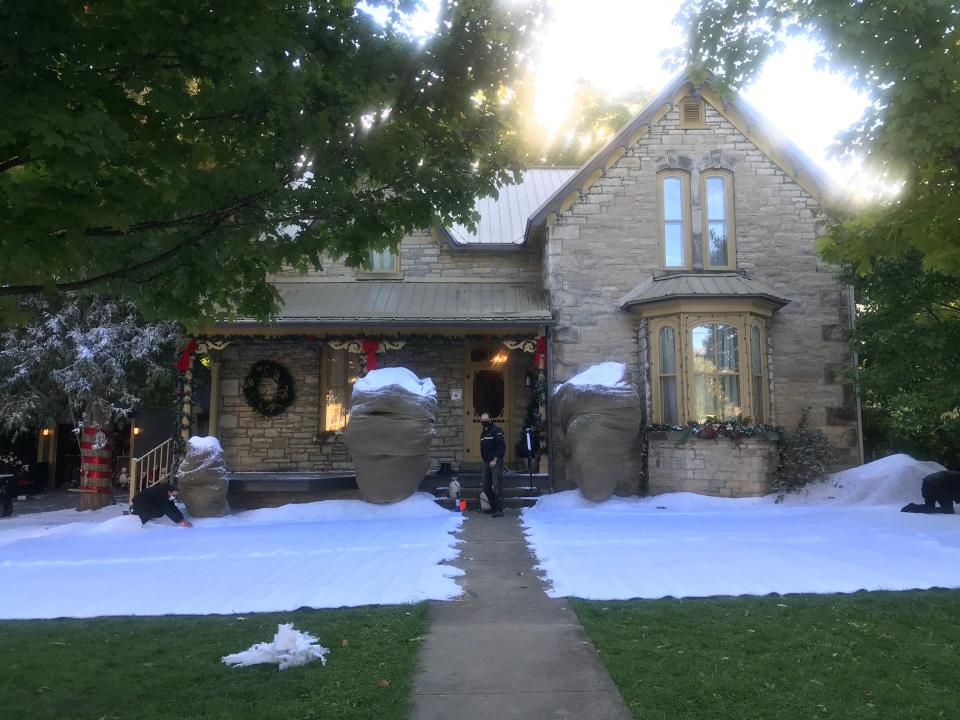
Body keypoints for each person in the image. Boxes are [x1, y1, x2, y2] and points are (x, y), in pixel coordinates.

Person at [479, 412, 506, 518]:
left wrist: (495, 459)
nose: (484, 421)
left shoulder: (496, 430)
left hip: (495, 461)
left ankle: (499, 509)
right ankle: (494, 507)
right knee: (485, 486)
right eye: (482, 419)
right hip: (486, 462)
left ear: (490, 419)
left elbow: (501, 445)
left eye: (486, 419)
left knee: (497, 486)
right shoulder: (483, 433)